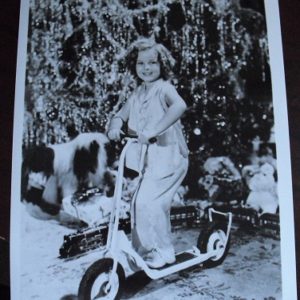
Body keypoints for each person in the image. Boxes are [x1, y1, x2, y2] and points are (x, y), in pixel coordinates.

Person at [107, 38, 189, 268]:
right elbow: (120, 115)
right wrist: (115, 126)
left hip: (171, 158)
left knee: (152, 204)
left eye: (152, 62)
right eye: (141, 63)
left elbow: (179, 106)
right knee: (137, 203)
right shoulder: (138, 93)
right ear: (134, 66)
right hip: (152, 161)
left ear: (162, 65)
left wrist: (154, 130)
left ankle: (164, 252)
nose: (146, 68)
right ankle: (142, 249)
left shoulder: (164, 89)